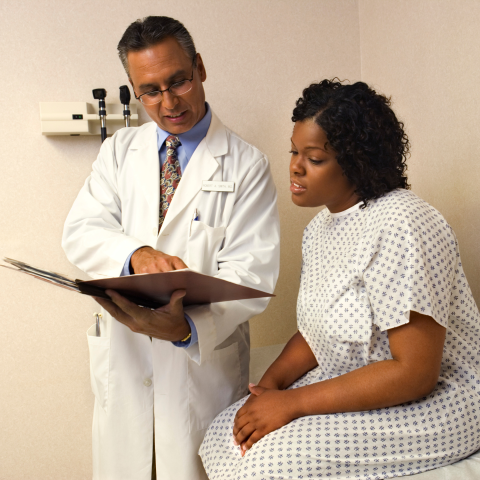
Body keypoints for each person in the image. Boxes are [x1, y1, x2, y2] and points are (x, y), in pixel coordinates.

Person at [199, 79, 480, 479]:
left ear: (356, 161)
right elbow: (319, 334)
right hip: (356, 381)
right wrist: (269, 388)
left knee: (266, 462)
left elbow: (415, 373)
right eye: (294, 151)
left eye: (313, 158)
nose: (295, 166)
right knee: (223, 433)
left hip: (437, 401)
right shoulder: (319, 230)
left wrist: (293, 405)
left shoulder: (403, 223)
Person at [62, 16, 279, 480]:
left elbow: (252, 276)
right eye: (151, 90)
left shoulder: (246, 164)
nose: (168, 101)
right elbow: (81, 230)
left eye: (178, 80)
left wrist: (185, 328)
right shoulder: (119, 151)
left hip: (200, 369)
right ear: (134, 90)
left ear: (199, 68)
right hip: (125, 360)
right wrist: (134, 255)